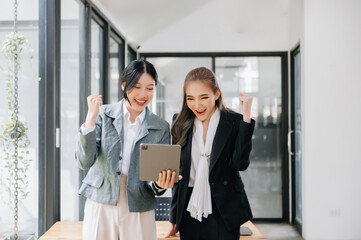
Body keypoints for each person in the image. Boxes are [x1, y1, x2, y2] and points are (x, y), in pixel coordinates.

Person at [76, 59, 177, 240]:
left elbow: (154, 181)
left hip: (139, 203)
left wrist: (160, 183)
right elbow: (84, 162)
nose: (143, 94)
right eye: (136, 87)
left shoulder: (161, 126)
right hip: (102, 199)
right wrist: (90, 118)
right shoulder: (103, 114)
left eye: (150, 88)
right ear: (124, 85)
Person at [166, 67, 255, 240]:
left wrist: (246, 116)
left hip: (224, 206)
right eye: (190, 98)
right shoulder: (179, 123)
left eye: (204, 97)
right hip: (189, 207)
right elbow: (179, 173)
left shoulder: (233, 121)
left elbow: (240, 164)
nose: (197, 105)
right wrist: (173, 218)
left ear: (217, 94)